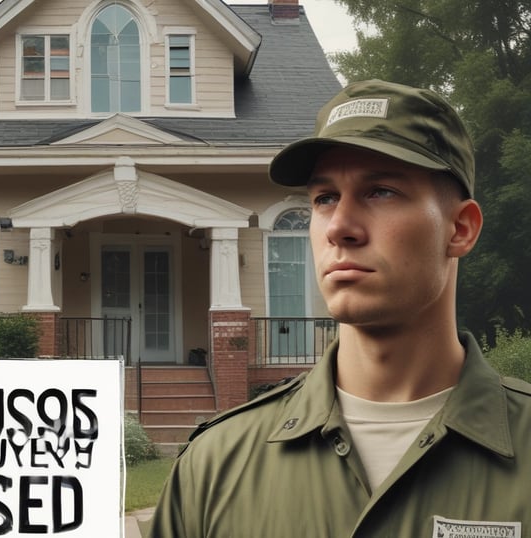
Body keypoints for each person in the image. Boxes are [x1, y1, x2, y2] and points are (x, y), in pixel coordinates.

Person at [145, 79, 531, 537]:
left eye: (381, 191)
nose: (339, 226)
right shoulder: (214, 467)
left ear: (461, 229)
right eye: (324, 198)